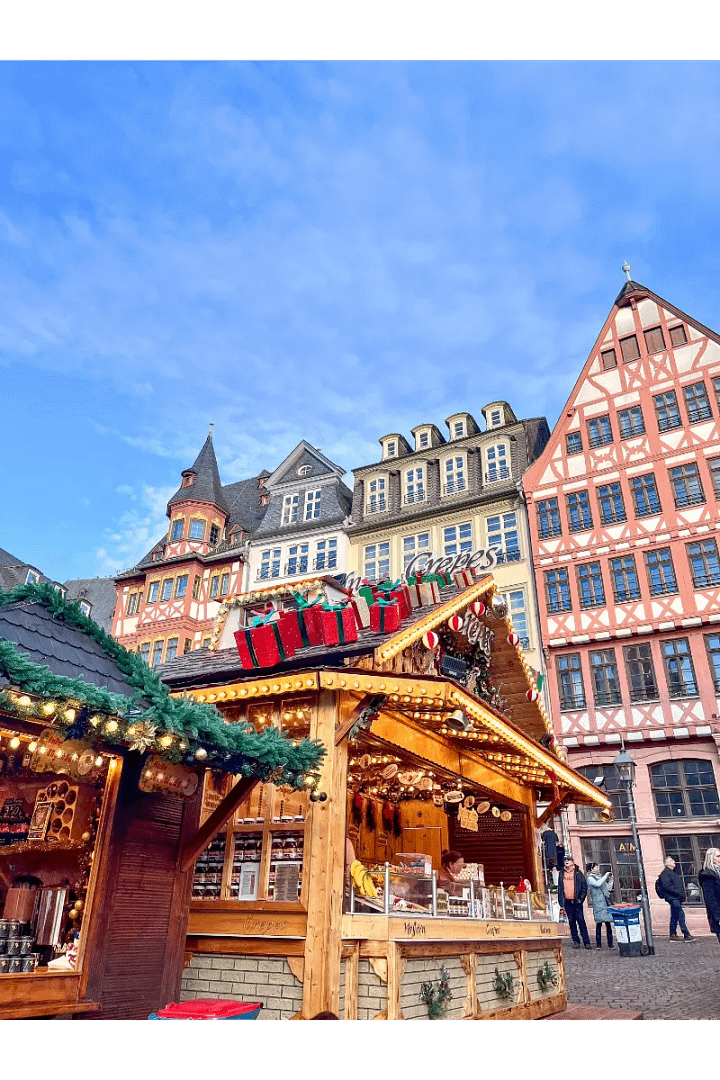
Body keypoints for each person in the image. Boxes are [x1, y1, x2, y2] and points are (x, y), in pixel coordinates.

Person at [659, 856, 696, 942]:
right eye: (672, 860)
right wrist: (677, 892)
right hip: (673, 897)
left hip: (675, 897)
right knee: (680, 915)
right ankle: (686, 934)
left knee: (675, 916)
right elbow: (667, 886)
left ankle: (672, 934)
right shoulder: (665, 873)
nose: (674, 862)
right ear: (667, 863)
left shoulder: (671, 872)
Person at [558, 857, 592, 949]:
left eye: (568, 860)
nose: (566, 862)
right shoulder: (562, 873)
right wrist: (561, 901)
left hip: (577, 901)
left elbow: (584, 886)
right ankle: (575, 941)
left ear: (572, 862)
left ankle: (586, 942)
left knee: (581, 921)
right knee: (571, 921)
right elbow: (560, 887)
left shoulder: (578, 873)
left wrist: (581, 899)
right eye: (565, 860)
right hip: (567, 901)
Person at [586, 862, 614, 949]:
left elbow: (608, 888)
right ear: (591, 869)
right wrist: (605, 876)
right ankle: (598, 944)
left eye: (597, 867)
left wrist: (611, 880)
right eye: (595, 867)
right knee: (599, 923)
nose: (597, 869)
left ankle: (610, 944)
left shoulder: (601, 877)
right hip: (598, 903)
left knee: (608, 923)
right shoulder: (590, 878)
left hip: (605, 903)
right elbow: (597, 884)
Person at [698, 847, 720, 945]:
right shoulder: (708, 876)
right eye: (718, 856)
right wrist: (718, 917)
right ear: (711, 858)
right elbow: (710, 899)